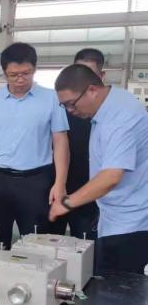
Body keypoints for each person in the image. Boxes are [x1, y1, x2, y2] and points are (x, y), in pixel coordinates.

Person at [0, 42, 69, 248]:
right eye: (13, 75)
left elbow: (60, 142)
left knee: (36, 242)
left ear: (34, 69)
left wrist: (60, 183)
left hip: (36, 182)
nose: (20, 79)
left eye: (26, 73)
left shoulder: (51, 98)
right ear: (4, 72)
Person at [50, 64, 148, 274]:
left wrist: (66, 203)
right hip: (117, 216)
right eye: (64, 106)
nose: (70, 111)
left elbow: (111, 176)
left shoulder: (119, 119)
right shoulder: (114, 101)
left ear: (92, 90)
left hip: (131, 224)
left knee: (120, 285)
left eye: (71, 103)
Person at [49, 49, 103, 240]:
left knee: (86, 246)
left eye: (89, 76)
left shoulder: (108, 114)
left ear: (101, 77)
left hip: (90, 193)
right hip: (56, 189)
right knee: (49, 244)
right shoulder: (61, 107)